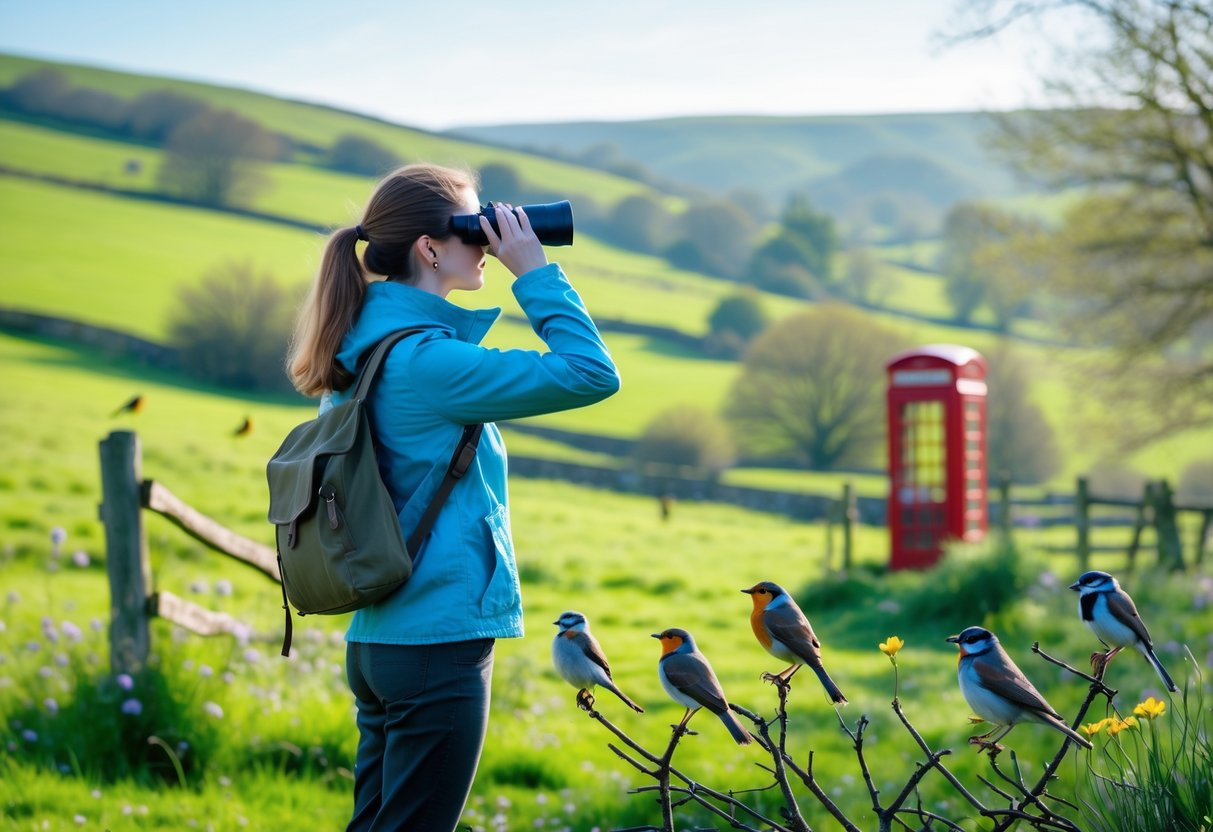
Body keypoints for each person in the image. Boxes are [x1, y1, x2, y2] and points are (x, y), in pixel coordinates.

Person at [286, 164, 620, 831]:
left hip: (381, 640)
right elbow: (590, 374)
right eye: (476, 229)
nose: (491, 243)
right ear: (428, 248)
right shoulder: (427, 361)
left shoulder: (361, 348)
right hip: (437, 642)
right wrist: (534, 272)